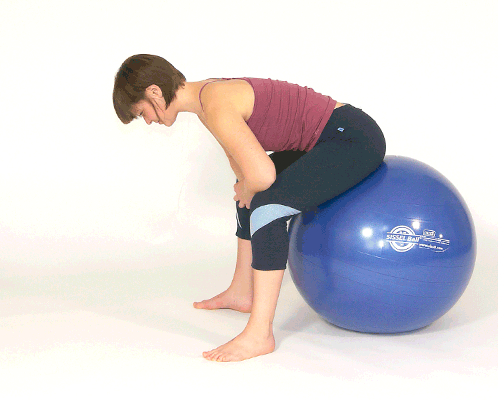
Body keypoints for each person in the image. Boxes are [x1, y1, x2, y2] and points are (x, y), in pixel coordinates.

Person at [112, 54, 386, 362]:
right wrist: (245, 187)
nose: (149, 121)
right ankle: (242, 291)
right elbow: (241, 164)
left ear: (154, 92)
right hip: (324, 142)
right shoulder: (207, 99)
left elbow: (263, 175)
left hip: (352, 139)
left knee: (267, 207)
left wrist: (250, 186)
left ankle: (260, 334)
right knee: (247, 192)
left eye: (142, 113)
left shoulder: (215, 103)